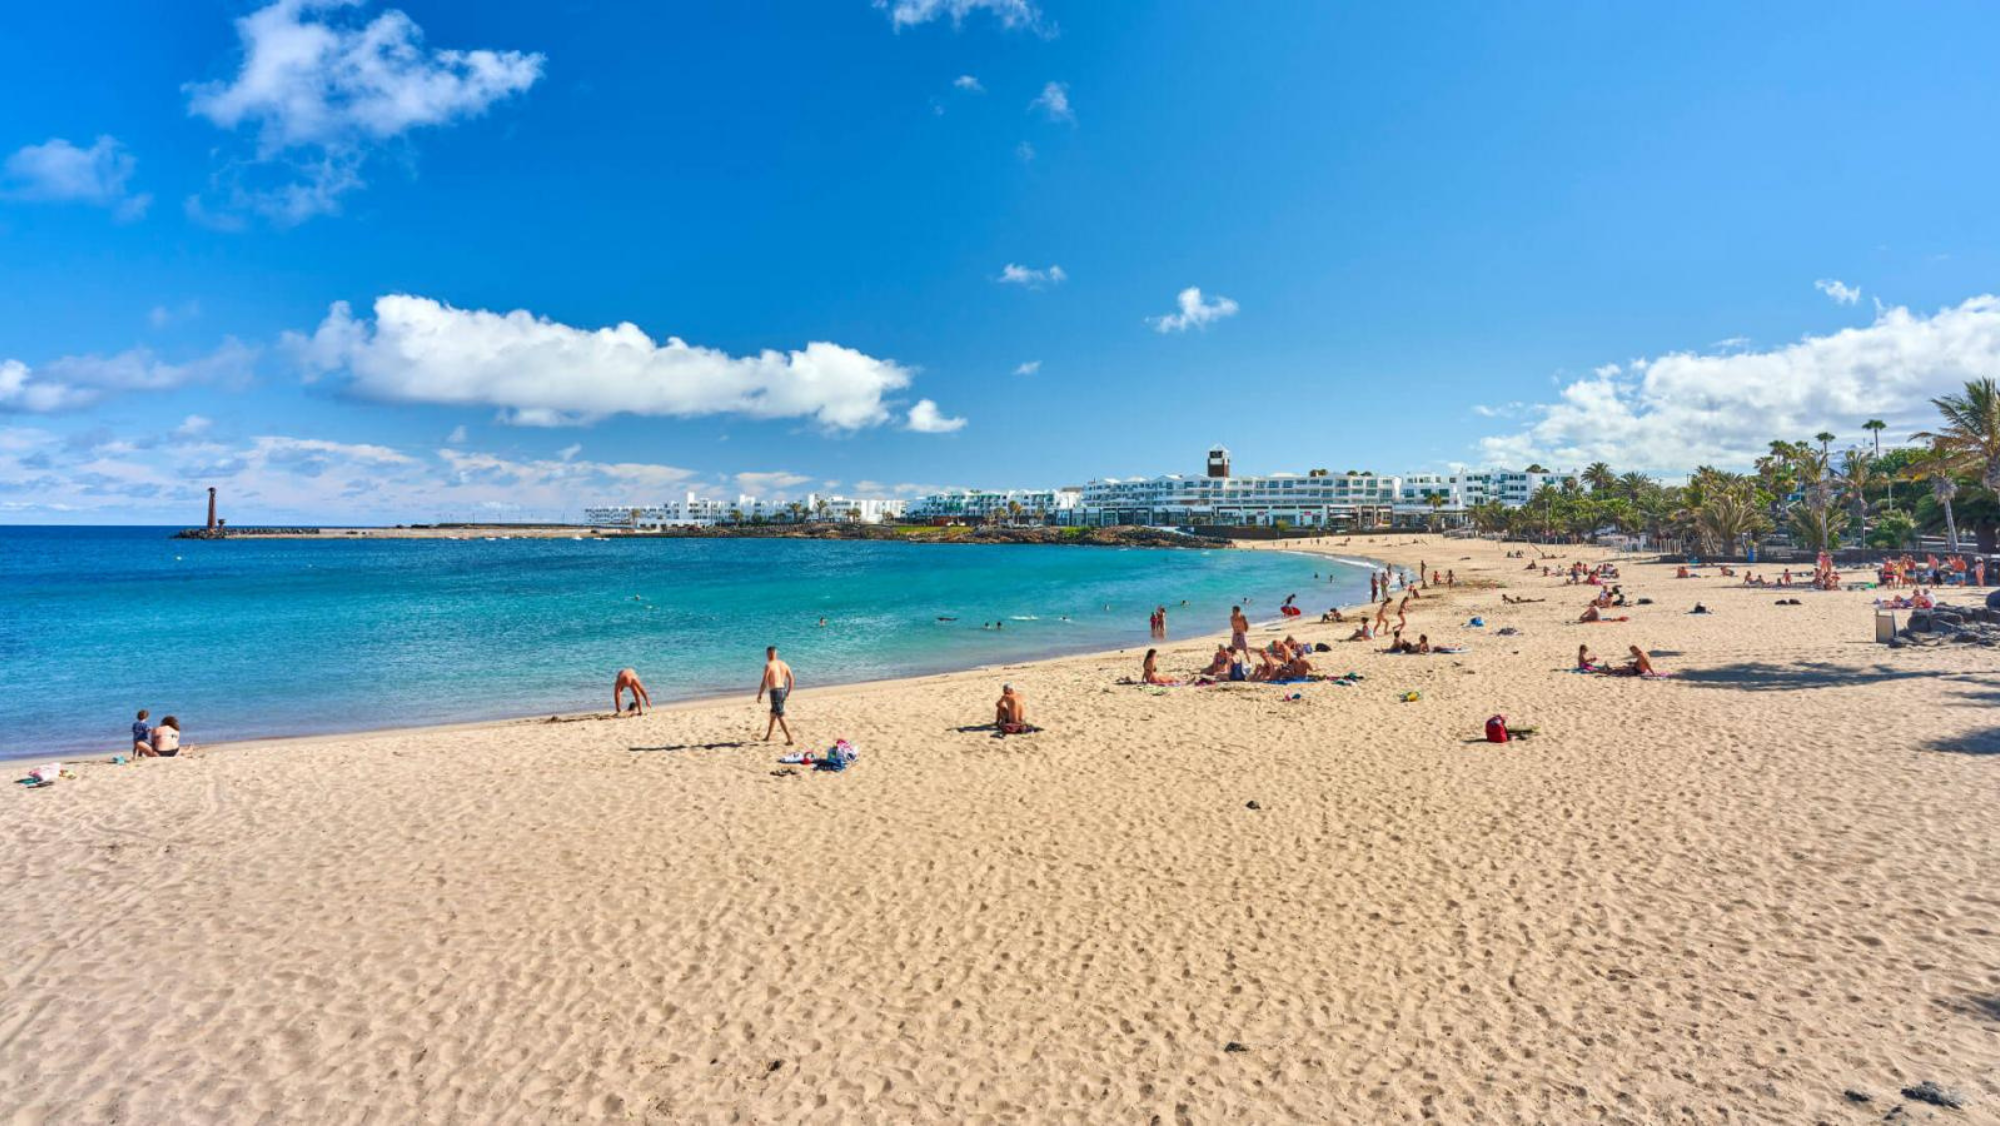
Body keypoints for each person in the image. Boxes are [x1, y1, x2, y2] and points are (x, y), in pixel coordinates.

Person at [756, 646, 795, 744]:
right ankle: (767, 736)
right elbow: (791, 679)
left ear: (769, 654)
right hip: (782, 690)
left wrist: (760, 694)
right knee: (773, 714)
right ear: (776, 653)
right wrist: (789, 691)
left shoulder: (769, 665)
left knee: (779, 715)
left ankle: (789, 738)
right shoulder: (784, 664)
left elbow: (764, 682)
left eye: (767, 653)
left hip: (775, 692)